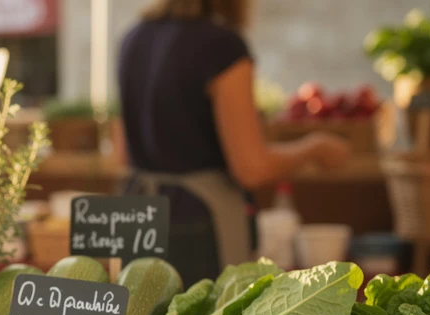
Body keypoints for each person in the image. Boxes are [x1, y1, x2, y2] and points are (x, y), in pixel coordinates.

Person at [117, 0, 351, 284]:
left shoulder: (133, 38)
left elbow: (120, 154)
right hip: (199, 224)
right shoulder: (220, 46)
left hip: (134, 211)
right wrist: (314, 148)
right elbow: (251, 168)